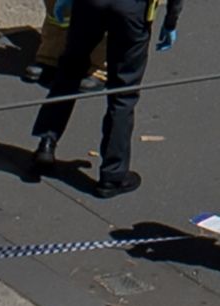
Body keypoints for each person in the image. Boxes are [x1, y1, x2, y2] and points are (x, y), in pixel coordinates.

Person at [28, 0, 183, 197]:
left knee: (69, 72)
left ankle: (46, 143)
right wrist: (171, 20)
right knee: (123, 91)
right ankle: (113, 174)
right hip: (132, 10)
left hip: (91, 4)